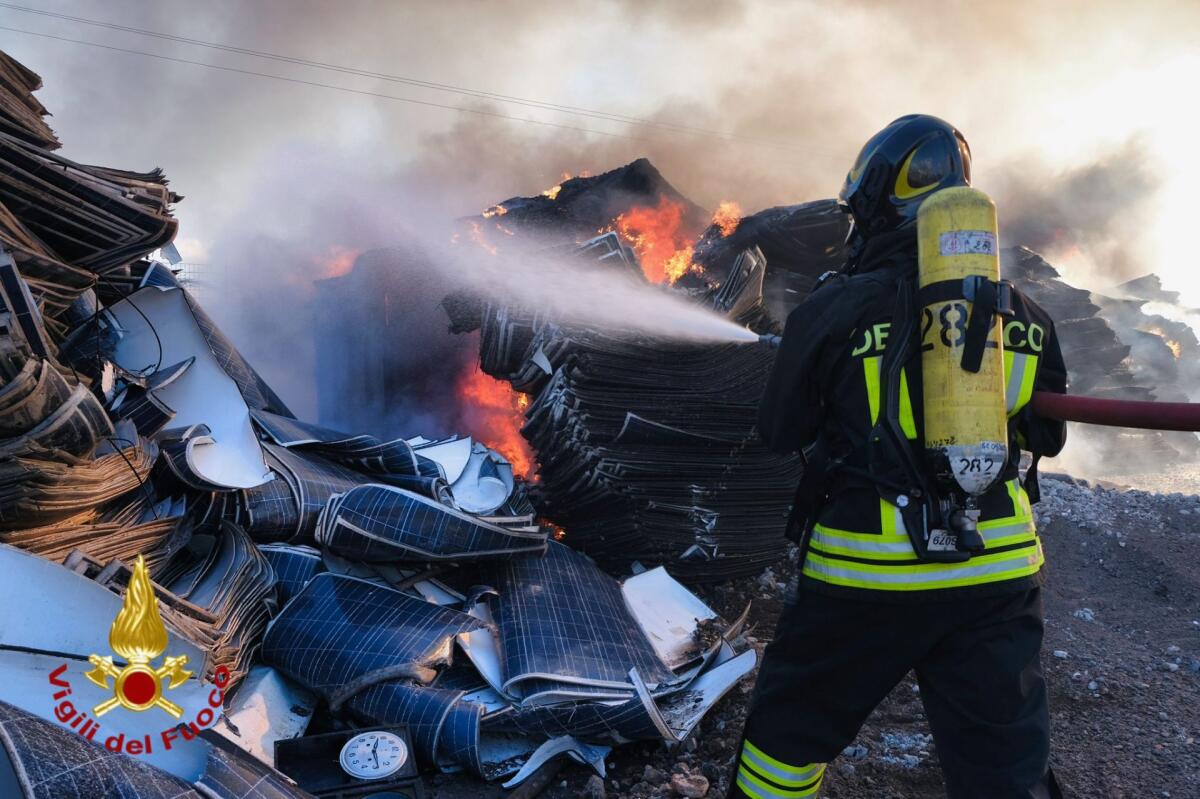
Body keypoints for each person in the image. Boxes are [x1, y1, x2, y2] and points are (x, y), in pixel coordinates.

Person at [729, 115, 1068, 799]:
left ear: (880, 203)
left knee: (785, 748)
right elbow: (1047, 438)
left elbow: (780, 429)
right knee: (1006, 772)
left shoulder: (837, 306)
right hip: (997, 573)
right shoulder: (1025, 315)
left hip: (868, 572)